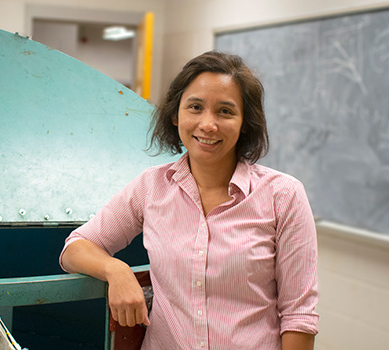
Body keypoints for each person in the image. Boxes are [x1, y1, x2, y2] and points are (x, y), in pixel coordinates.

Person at [59, 51, 318, 349]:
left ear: (245, 122)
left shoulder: (284, 195)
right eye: (195, 107)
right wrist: (116, 270)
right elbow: (75, 248)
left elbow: (299, 317)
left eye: (225, 111)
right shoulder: (151, 186)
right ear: (175, 114)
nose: (208, 124)